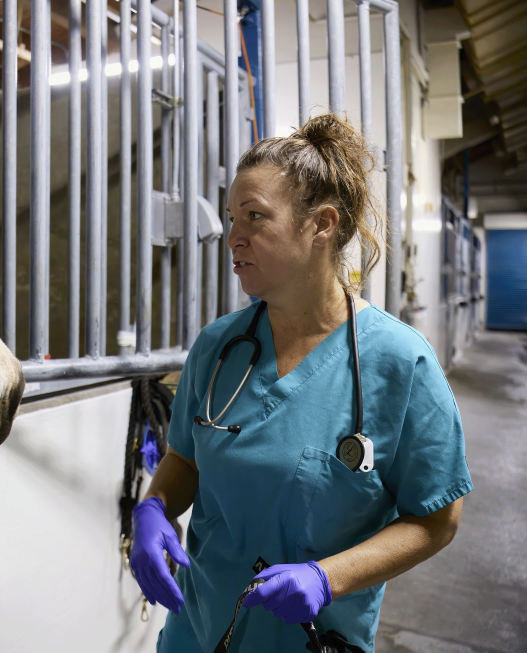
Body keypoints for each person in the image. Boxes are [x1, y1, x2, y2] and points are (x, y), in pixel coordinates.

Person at [129, 114, 472, 652]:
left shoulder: (399, 363)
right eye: (231, 218)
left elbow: (438, 519)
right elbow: (186, 459)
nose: (232, 236)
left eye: (254, 216)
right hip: (197, 632)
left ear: (322, 225)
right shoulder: (217, 348)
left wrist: (327, 577)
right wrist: (153, 508)